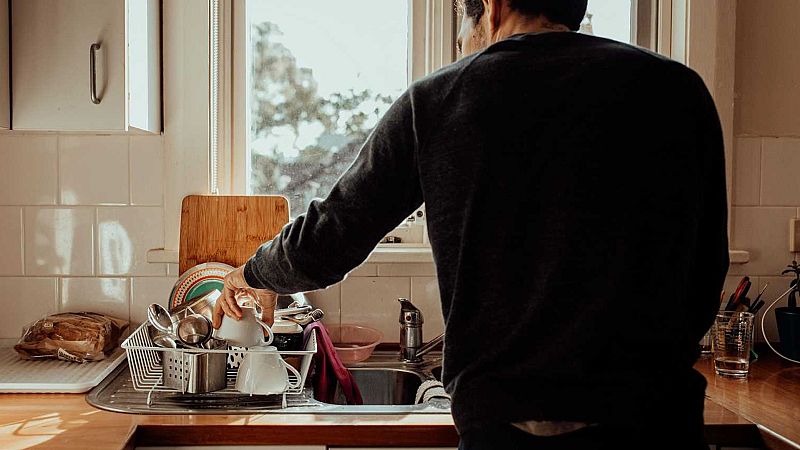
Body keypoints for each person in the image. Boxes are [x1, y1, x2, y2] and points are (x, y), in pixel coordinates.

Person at [213, 0, 729, 448]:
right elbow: (708, 265)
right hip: (653, 419)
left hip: (506, 423)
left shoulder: (439, 99)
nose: (463, 48)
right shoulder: (676, 90)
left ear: (493, 8)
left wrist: (251, 273)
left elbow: (328, 240)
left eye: (462, 27)